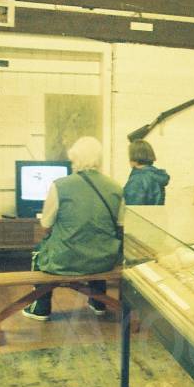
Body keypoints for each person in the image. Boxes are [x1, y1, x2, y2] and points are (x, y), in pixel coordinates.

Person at [23, 137, 123, 320]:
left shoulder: (60, 186)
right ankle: (98, 302)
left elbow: (45, 225)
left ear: (75, 158)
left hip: (66, 261)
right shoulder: (116, 187)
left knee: (38, 252)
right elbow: (120, 225)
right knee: (95, 244)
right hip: (104, 260)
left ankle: (40, 308)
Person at [123, 139, 169, 206]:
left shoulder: (137, 179)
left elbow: (133, 208)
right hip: (155, 212)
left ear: (134, 158)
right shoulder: (157, 176)